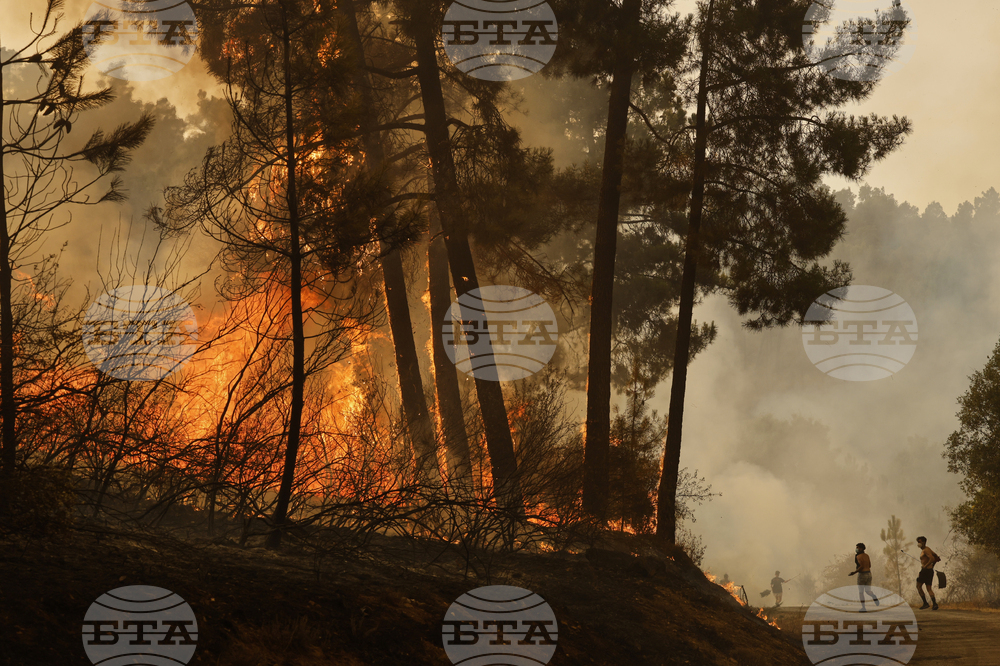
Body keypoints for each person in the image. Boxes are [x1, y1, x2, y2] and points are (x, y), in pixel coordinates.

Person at [848, 542, 879, 610]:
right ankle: (873, 596)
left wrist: (854, 572)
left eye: (857, 547)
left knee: (861, 592)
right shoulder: (867, 555)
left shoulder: (858, 556)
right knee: (868, 591)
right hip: (869, 574)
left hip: (862, 575)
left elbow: (861, 566)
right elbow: (869, 565)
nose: (856, 549)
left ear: (861, 548)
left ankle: (863, 607)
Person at [916, 536, 941, 610]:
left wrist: (925, 566)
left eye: (919, 542)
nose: (918, 543)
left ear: (924, 542)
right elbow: (937, 557)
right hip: (930, 571)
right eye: (918, 542)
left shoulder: (925, 550)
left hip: (925, 571)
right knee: (929, 588)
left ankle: (925, 603)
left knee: (918, 586)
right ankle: (934, 604)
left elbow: (932, 558)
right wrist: (932, 566)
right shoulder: (928, 549)